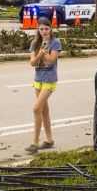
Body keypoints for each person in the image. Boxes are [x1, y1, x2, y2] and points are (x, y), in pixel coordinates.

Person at [27, 17, 62, 153]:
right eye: (41, 29)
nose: (44, 32)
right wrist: (39, 53)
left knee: (36, 108)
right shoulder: (35, 43)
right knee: (44, 110)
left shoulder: (55, 43)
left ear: (51, 29)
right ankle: (49, 140)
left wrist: (45, 51)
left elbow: (51, 61)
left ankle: (34, 143)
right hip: (38, 80)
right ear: (38, 29)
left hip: (49, 80)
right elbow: (32, 63)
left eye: (46, 29)